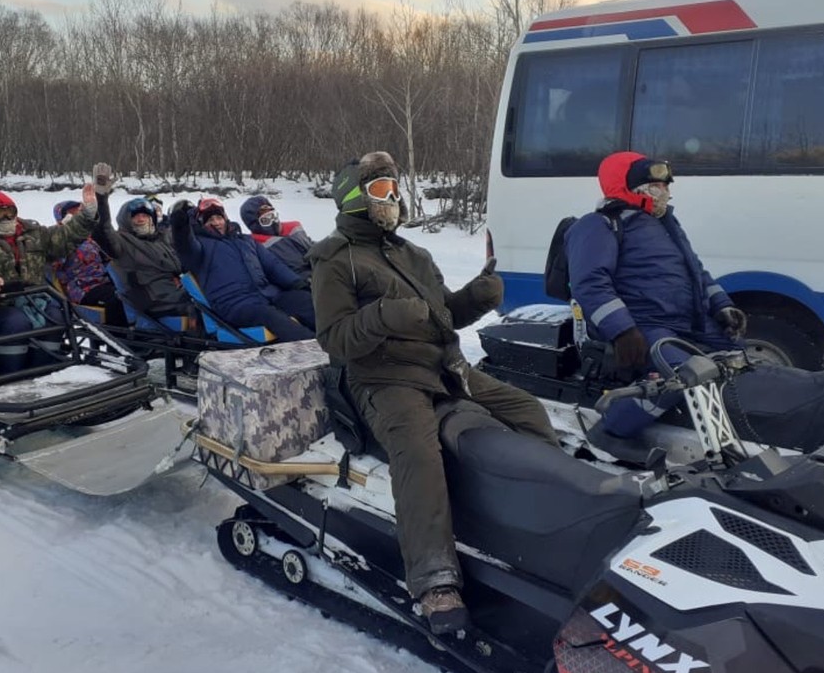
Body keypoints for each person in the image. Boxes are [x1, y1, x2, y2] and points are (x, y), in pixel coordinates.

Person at [308, 151, 558, 635]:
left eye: (394, 188)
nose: (392, 198)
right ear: (354, 199)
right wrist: (382, 316)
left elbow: (443, 317)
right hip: (383, 378)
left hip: (444, 368)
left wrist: (475, 298)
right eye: (380, 190)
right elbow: (334, 340)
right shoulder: (335, 260)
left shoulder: (413, 255)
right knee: (419, 454)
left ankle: (541, 510)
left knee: (526, 410)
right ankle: (433, 580)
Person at [565, 151, 747, 461]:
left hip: (688, 323)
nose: (666, 193)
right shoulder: (599, 224)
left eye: (666, 187)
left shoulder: (665, 224)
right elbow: (590, 282)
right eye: (657, 186)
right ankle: (611, 431)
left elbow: (696, 271)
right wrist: (623, 330)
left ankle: (744, 428)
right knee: (681, 375)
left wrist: (721, 305)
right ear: (632, 187)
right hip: (644, 325)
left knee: (737, 359)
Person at [0, 189, 101, 376]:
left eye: (10, 212)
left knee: (56, 316)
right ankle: (8, 373)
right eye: (0, 213)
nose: (7, 218)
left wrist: (87, 214)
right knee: (15, 322)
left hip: (33, 299)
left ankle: (43, 370)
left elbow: (65, 237)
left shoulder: (33, 233)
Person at [171, 196, 316, 342]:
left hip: (266, 294)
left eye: (219, 218)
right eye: (210, 220)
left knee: (304, 300)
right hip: (234, 304)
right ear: (201, 223)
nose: (216, 222)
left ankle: (328, 338)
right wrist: (181, 225)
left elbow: (273, 266)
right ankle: (313, 349)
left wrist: (296, 283)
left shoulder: (245, 241)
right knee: (271, 316)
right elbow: (184, 243)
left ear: (225, 219)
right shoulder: (199, 247)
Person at [89, 169, 193, 323]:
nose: (141, 219)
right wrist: (101, 199)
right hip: (153, 301)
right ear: (126, 220)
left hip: (176, 292)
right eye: (136, 216)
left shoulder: (161, 239)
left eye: (145, 215)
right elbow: (102, 230)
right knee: (202, 310)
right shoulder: (122, 242)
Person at [50, 187, 128, 326]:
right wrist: (64, 231)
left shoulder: (89, 238)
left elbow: (107, 256)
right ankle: (118, 336)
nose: (76, 214)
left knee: (132, 293)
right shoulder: (57, 240)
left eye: (78, 211)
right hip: (82, 288)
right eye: (71, 213)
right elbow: (54, 260)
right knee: (117, 300)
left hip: (104, 281)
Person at [240, 195, 313, 282]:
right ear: (255, 225)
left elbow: (310, 245)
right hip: (302, 281)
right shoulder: (257, 246)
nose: (273, 222)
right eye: (266, 220)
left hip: (318, 267)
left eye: (273, 216)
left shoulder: (294, 229)